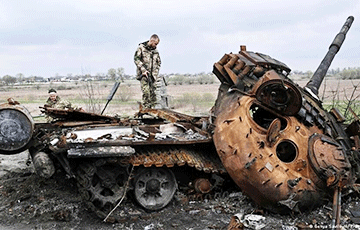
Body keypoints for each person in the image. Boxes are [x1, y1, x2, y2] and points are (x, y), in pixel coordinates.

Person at [134, 34, 166, 108]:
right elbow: (136, 59)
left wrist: (156, 72)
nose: (156, 46)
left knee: (153, 94)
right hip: (144, 75)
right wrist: (143, 70)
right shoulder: (141, 48)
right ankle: (146, 110)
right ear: (151, 41)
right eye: (155, 44)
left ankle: (153, 110)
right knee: (146, 93)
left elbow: (159, 62)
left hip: (153, 76)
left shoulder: (155, 51)